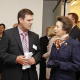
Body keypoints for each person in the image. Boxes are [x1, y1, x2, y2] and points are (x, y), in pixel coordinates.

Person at [0, 8, 42, 80]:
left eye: (32, 20)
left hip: (30, 75)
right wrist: (16, 59)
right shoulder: (8, 34)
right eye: (28, 20)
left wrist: (35, 59)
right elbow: (1, 53)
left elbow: (39, 52)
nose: (31, 22)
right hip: (12, 74)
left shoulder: (35, 36)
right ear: (20, 20)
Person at [46, 16, 80, 80]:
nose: (54, 29)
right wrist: (49, 63)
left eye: (57, 27)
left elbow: (77, 66)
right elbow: (51, 59)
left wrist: (60, 64)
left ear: (65, 29)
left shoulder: (74, 44)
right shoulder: (55, 43)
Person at [67, 13, 80, 80]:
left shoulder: (77, 31)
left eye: (68, 18)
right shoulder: (70, 30)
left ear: (73, 20)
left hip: (73, 61)